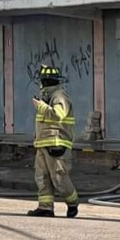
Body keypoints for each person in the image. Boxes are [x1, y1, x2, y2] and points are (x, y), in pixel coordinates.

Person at [28, 65, 78, 218]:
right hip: (43, 144)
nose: (41, 84)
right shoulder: (46, 97)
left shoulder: (60, 96)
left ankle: (72, 203)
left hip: (56, 144)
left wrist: (42, 107)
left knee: (59, 178)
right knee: (42, 177)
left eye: (43, 81)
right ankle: (45, 207)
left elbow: (58, 114)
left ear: (46, 81)